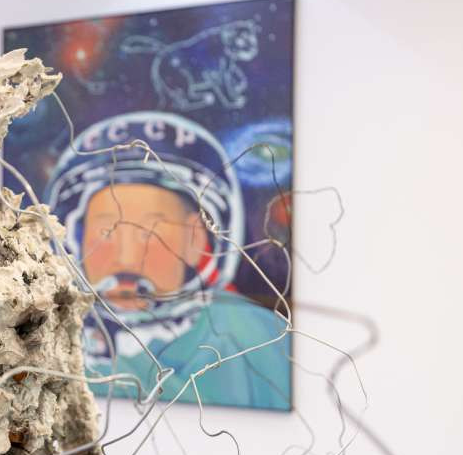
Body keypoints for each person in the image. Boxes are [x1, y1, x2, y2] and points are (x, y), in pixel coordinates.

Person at [45, 112, 290, 409]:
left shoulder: (264, 342)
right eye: (106, 231)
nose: (125, 258)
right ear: (75, 237)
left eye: (150, 232)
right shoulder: (40, 336)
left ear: (196, 239)